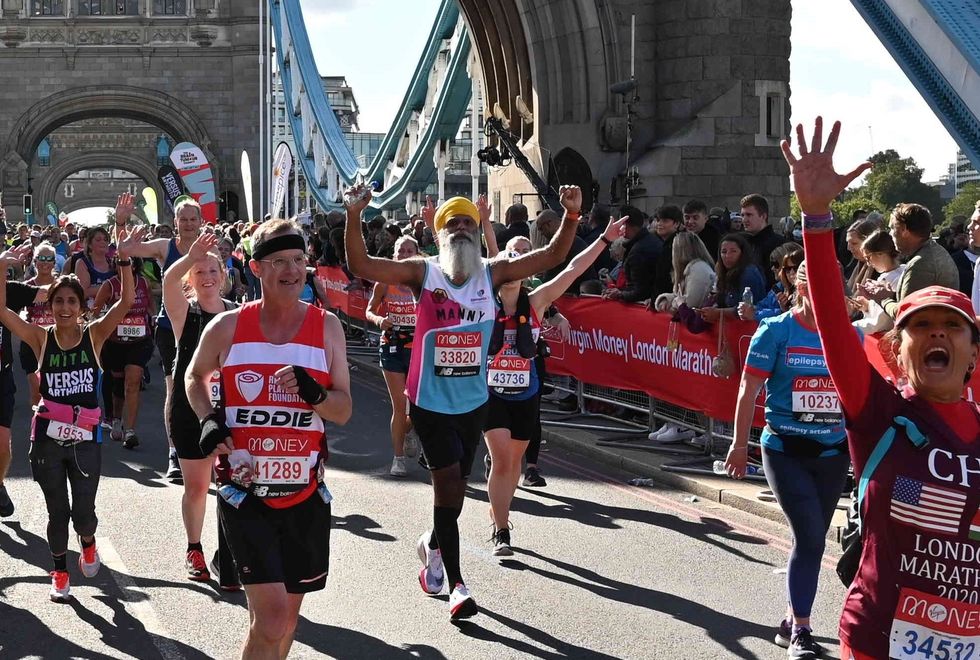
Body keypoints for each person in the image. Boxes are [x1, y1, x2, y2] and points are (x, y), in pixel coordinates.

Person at [786, 117, 980, 660]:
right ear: (898, 347)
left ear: (973, 352)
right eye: (920, 325)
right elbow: (829, 319)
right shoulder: (879, 411)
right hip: (878, 640)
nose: (937, 332)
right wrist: (817, 218)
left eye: (952, 326)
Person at [344, 183, 582, 620]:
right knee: (448, 485)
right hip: (431, 403)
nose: (460, 229)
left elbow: (549, 258)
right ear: (439, 234)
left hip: (474, 402)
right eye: (451, 223)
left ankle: (432, 544)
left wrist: (570, 216)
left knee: (457, 490)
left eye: (468, 223)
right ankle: (456, 585)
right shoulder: (423, 272)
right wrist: (355, 214)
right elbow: (360, 264)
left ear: (478, 231)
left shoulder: (492, 272)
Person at [186, 219, 351, 657]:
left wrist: (315, 394)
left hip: (305, 494)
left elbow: (344, 410)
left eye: (298, 260)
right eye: (279, 261)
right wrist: (208, 419)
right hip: (246, 493)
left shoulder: (327, 327)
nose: (292, 270)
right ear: (256, 269)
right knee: (273, 617)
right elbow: (194, 376)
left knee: (285, 622)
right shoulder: (227, 326)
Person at [0, 229, 143, 602]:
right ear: (51, 306)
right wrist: (1, 268)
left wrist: (124, 259)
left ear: (81, 306)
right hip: (47, 437)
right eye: (58, 301)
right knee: (56, 511)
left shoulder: (94, 336)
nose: (64, 308)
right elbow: (1, 311)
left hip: (84, 441)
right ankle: (60, 570)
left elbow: (126, 301)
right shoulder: (40, 337)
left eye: (71, 301)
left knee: (83, 513)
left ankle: (89, 542)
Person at [724, 259, 852, 657]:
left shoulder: (848, 335)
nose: (826, 299)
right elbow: (748, 390)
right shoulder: (776, 331)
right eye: (817, 290)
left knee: (808, 540)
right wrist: (739, 444)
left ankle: (790, 617)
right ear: (801, 291)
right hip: (784, 451)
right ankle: (801, 630)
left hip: (832, 454)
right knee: (812, 536)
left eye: (833, 290)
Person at [484, 214, 629, 555]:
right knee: (501, 460)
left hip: (526, 392)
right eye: (507, 261)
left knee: (514, 464)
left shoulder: (536, 301)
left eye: (520, 261)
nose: (512, 267)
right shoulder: (482, 302)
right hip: (490, 393)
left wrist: (604, 240)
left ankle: (499, 512)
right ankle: (502, 531)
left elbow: (573, 269)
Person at [163, 232, 239, 588]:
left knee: (233, 485)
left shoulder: (238, 316)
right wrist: (187, 255)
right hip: (188, 409)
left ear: (223, 276)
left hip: (229, 412)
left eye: (213, 270)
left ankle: (230, 555)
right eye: (199, 271)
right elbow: (167, 281)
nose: (207, 276)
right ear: (190, 280)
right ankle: (194, 548)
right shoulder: (184, 313)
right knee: (197, 486)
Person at [117, 192, 203, 483]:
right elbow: (126, 250)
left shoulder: (209, 247)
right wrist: (121, 222)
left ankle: (207, 449)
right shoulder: (166, 247)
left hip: (205, 325)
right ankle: (175, 453)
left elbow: (222, 282)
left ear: (201, 221)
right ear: (175, 222)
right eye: (184, 219)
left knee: (210, 389)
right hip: (171, 328)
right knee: (175, 389)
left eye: (193, 219)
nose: (189, 224)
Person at [365, 235, 422, 477]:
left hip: (420, 348)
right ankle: (398, 458)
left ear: (417, 255)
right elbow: (369, 309)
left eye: (410, 251)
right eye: (401, 251)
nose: (405, 255)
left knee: (420, 408)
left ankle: (410, 430)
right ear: (394, 256)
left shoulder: (425, 281)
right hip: (392, 346)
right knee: (400, 406)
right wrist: (379, 320)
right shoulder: (385, 282)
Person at [92, 258, 155, 449]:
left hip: (140, 341)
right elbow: (95, 312)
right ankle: (117, 419)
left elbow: (150, 306)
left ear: (134, 266)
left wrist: (153, 318)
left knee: (133, 382)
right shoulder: (109, 285)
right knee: (118, 384)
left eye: (127, 264)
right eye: (119, 264)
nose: (123, 268)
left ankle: (130, 431)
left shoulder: (143, 282)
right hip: (115, 343)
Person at [865, 202, 959, 318]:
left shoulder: (921, 264)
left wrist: (883, 298)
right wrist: (892, 295)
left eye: (892, 228)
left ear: (904, 229)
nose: (890, 234)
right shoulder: (933, 252)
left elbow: (906, 314)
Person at [698, 233, 766, 324]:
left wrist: (718, 313)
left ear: (742, 253)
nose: (728, 256)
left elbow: (746, 308)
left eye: (733, 251)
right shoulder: (724, 273)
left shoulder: (749, 273)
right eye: (724, 252)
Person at [21, 244, 58, 406]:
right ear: (35, 262)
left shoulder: (60, 286)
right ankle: (37, 429)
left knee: (55, 391)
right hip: (31, 342)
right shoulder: (26, 286)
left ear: (54, 262)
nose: (44, 262)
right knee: (36, 391)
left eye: (49, 259)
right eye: (41, 258)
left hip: (56, 343)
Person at [602, 211, 661, 304]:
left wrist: (621, 294)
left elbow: (639, 290)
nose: (618, 228)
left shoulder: (638, 251)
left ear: (626, 224)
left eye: (620, 224)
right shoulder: (649, 241)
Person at [651, 231, 716, 313]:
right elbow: (680, 296)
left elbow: (690, 303)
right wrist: (666, 299)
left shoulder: (698, 269)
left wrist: (671, 304)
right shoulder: (691, 268)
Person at [738, 243, 802, 323]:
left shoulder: (804, 290)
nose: (772, 268)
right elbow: (761, 305)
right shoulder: (778, 287)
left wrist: (755, 315)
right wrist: (749, 309)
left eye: (776, 264)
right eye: (788, 269)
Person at [741, 194, 784, 288]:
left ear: (763, 216)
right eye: (742, 215)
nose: (744, 220)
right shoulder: (743, 243)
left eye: (749, 215)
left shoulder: (779, 244)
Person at [73, 227, 116, 306]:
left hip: (113, 312)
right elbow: (83, 292)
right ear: (90, 244)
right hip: (91, 312)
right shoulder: (82, 263)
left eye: (105, 240)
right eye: (98, 240)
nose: (103, 242)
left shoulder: (113, 263)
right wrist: (110, 287)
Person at [651, 205, 684, 298]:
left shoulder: (679, 244)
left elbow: (667, 277)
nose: (659, 224)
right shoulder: (663, 243)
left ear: (676, 224)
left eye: (665, 221)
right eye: (658, 220)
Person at [841, 218, 880, 296]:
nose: (849, 248)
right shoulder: (860, 264)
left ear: (869, 242)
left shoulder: (880, 269)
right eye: (848, 243)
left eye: (854, 243)